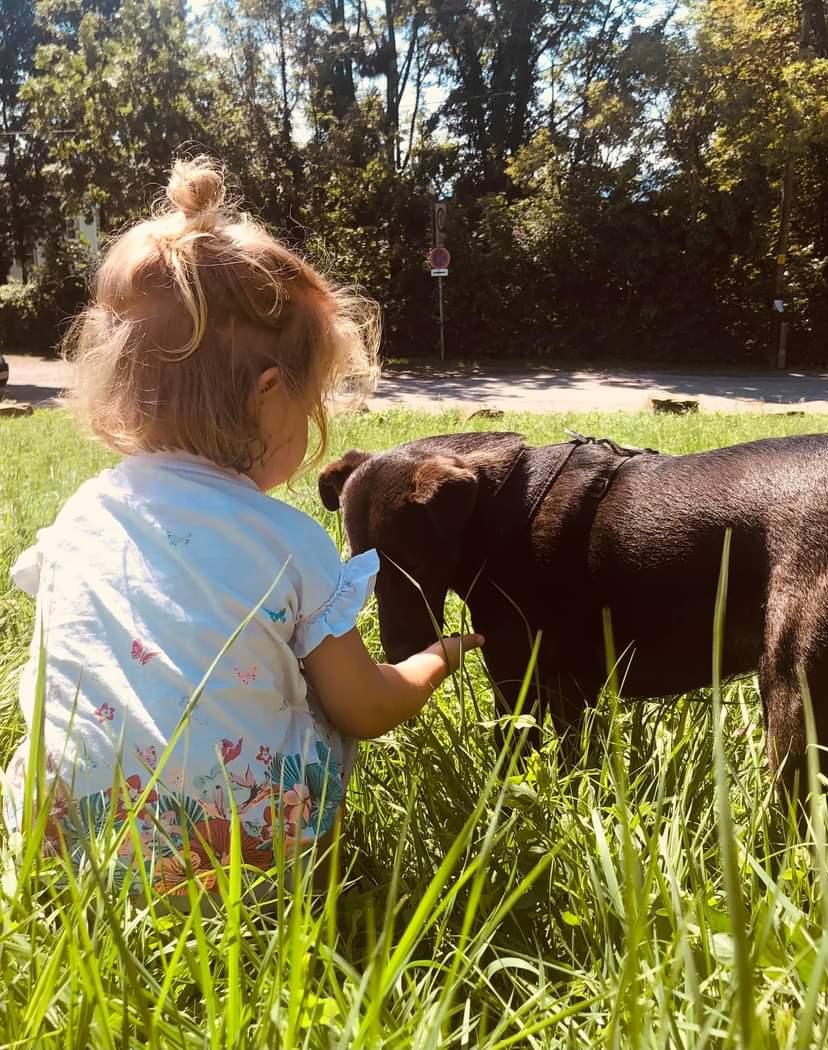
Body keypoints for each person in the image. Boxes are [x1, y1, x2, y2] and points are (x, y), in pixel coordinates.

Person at [1, 155, 482, 898]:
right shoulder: (288, 544)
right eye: (313, 401)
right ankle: (289, 881)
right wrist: (433, 661)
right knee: (320, 702)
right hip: (240, 865)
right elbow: (366, 707)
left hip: (62, 851)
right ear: (266, 396)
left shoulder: (81, 516)